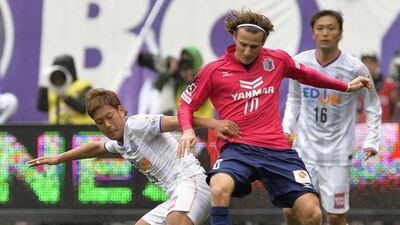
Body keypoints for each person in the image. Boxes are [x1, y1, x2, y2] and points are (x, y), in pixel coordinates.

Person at [177, 8, 372, 225]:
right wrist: (187, 130)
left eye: (254, 46)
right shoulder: (213, 70)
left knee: (312, 213)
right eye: (243, 44)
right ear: (234, 37)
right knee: (219, 189)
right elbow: (186, 104)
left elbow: (308, 75)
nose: (247, 50)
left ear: (263, 42)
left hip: (277, 150)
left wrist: (345, 86)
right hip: (237, 149)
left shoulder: (277, 60)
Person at [29, 88, 240, 225]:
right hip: (176, 194)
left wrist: (213, 124)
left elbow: (175, 121)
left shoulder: (136, 124)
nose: (107, 125)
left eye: (110, 117)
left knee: (176, 220)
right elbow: (94, 147)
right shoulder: (120, 142)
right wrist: (58, 159)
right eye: (100, 122)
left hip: (192, 183)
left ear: (121, 111)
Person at [282, 10, 381, 225]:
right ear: (313, 33)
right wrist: (285, 130)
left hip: (337, 155)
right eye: (320, 28)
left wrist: (372, 140)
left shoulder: (355, 67)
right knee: (291, 211)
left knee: (335, 217)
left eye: (331, 28)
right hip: (304, 152)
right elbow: (294, 100)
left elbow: (373, 106)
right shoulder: (299, 62)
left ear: (340, 33)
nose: (325, 33)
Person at [138, 47, 214, 118]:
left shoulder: (203, 78)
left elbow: (194, 98)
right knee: (169, 84)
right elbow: (158, 85)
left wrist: (189, 79)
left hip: (203, 124)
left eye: (188, 65)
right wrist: (170, 72)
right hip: (182, 125)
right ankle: (166, 119)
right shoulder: (178, 79)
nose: (185, 69)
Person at [36, 54, 93, 124]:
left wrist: (66, 98)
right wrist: (44, 85)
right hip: (56, 131)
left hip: (80, 131)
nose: (58, 78)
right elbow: (42, 107)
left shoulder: (83, 85)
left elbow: (84, 108)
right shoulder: (51, 88)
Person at [357, 54, 397, 122]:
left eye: (371, 62)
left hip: (384, 129)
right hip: (361, 129)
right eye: (365, 63)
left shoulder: (389, 86)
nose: (368, 66)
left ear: (377, 65)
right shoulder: (355, 86)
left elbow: (395, 111)